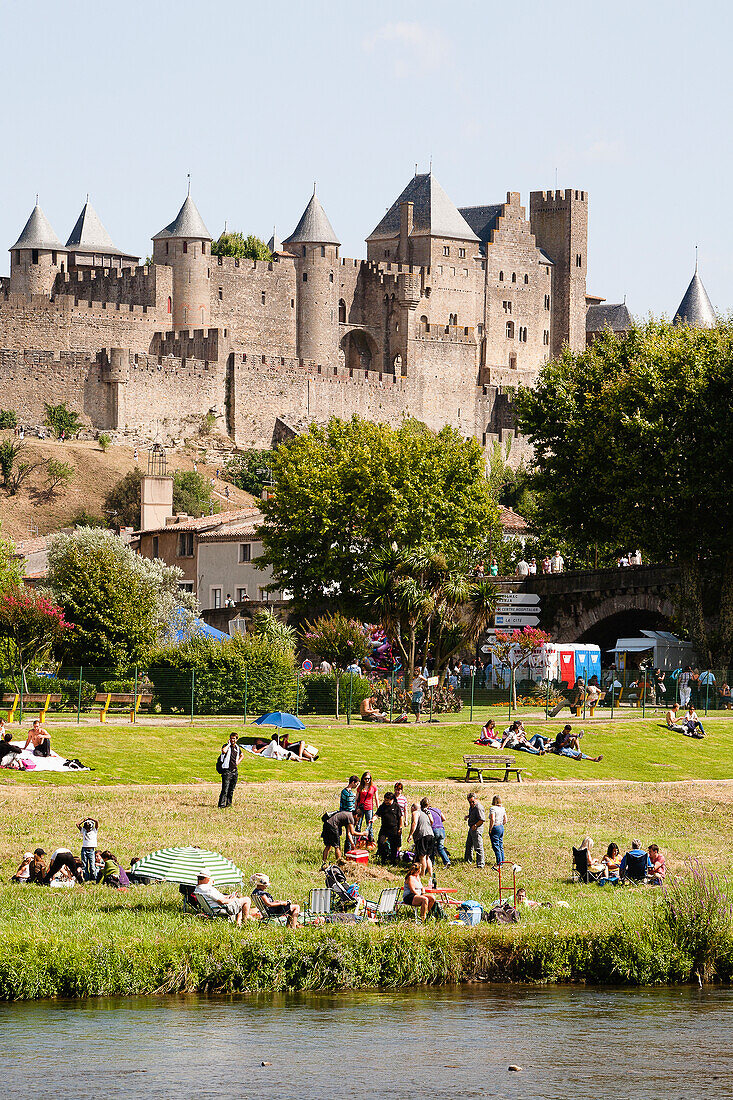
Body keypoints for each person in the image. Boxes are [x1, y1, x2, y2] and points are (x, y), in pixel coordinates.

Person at [406, 800, 435, 878]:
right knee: (427, 857)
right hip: (431, 835)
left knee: (422, 856)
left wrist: (410, 835)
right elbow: (431, 821)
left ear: (413, 808)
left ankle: (422, 875)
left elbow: (414, 823)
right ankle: (431, 875)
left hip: (423, 836)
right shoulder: (425, 814)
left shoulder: (415, 813)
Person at [218, 732, 243, 809]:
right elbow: (224, 751)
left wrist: (237, 762)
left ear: (236, 739)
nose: (233, 740)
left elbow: (242, 755)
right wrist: (228, 744)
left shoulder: (237, 748)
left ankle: (229, 804)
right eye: (231, 738)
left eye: (234, 738)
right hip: (227, 771)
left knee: (231, 789)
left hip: (234, 771)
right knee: (225, 789)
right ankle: (221, 805)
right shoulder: (226, 746)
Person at [375, 791, 402, 863]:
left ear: (392, 800)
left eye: (387, 800)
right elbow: (377, 814)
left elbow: (400, 818)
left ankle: (392, 860)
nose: (385, 801)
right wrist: (373, 819)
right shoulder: (383, 806)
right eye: (385, 800)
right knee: (381, 843)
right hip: (384, 828)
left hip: (394, 828)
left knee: (394, 846)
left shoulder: (396, 806)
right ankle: (383, 858)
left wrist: (400, 828)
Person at [424, 798, 450, 867]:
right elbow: (444, 818)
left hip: (434, 830)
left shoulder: (427, 812)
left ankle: (432, 863)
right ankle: (447, 861)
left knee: (431, 847)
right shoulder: (437, 810)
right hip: (442, 830)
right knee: (440, 847)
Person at [464, 792, 486, 869]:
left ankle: (480, 864)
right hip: (471, 828)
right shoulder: (472, 807)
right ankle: (468, 860)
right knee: (469, 845)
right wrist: (468, 816)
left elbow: (482, 820)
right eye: (470, 802)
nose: (471, 803)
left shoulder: (478, 807)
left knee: (478, 847)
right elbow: (473, 815)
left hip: (477, 829)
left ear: (476, 799)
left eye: (473, 801)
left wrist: (476, 825)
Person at [355, 772, 378, 840]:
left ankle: (370, 840)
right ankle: (357, 840)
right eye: (365, 779)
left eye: (368, 778)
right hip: (360, 807)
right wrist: (355, 807)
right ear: (363, 779)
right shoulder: (360, 787)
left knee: (369, 824)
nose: (367, 780)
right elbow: (356, 798)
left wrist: (378, 809)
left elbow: (376, 798)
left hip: (369, 808)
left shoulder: (373, 787)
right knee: (358, 824)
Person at [488, 795, 507, 868]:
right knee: (500, 844)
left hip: (495, 826)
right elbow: (505, 819)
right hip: (501, 826)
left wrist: (490, 828)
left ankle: (499, 863)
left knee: (495, 845)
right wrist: (501, 824)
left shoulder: (492, 808)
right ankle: (502, 860)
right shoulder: (502, 808)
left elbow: (492, 819)